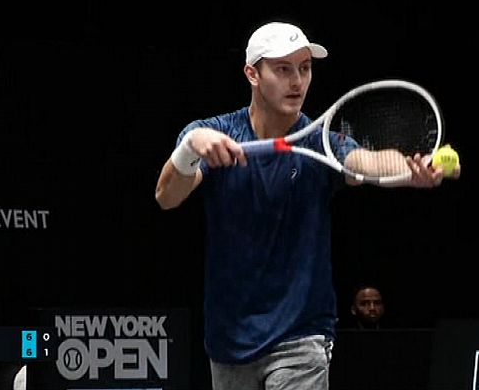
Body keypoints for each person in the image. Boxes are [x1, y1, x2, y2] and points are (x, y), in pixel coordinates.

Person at [154, 21, 460, 390]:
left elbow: (365, 162)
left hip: (301, 335)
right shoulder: (213, 133)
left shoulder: (320, 143)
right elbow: (166, 197)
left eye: (305, 68)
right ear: (252, 73)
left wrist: (410, 171)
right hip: (230, 338)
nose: (297, 81)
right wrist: (189, 149)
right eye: (283, 69)